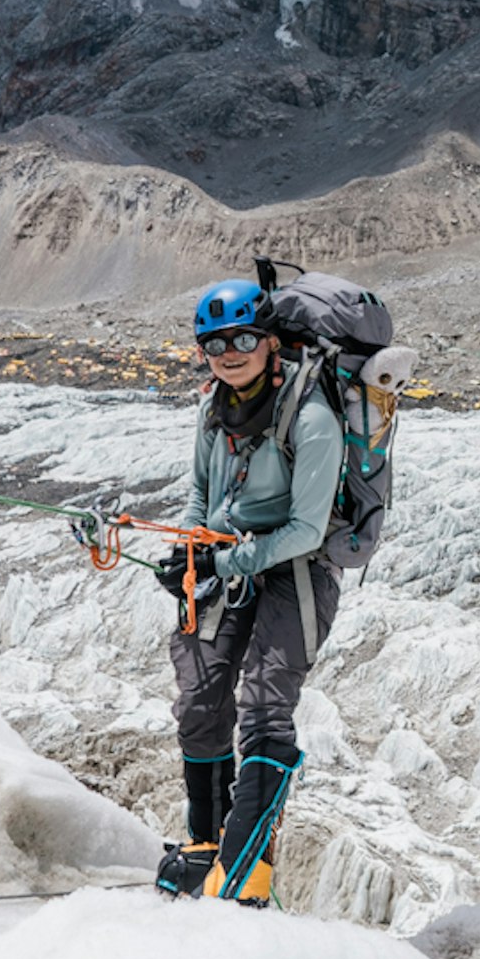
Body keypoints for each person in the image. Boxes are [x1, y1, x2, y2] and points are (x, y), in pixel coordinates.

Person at [153, 277, 344, 905]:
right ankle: (205, 845)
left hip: (298, 572)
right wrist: (188, 552)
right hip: (230, 561)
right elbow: (200, 499)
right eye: (214, 343)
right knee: (201, 700)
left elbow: (306, 529)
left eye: (242, 338)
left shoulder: (312, 418)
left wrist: (226, 562)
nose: (229, 352)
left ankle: (248, 870)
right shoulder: (214, 409)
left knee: (264, 707)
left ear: (268, 342)